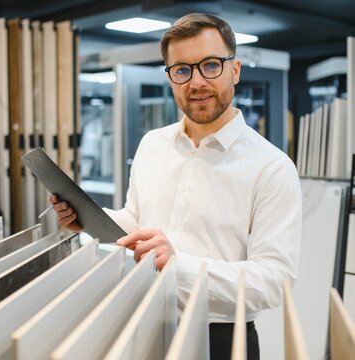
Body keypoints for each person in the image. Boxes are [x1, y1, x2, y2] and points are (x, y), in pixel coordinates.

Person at [49, 12, 301, 360]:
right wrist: (89, 219)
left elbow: (275, 280)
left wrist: (178, 265)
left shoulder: (271, 168)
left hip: (222, 340)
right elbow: (137, 221)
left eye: (210, 65)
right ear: (170, 77)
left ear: (235, 70)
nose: (196, 82)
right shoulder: (153, 144)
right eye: (182, 70)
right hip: (145, 318)